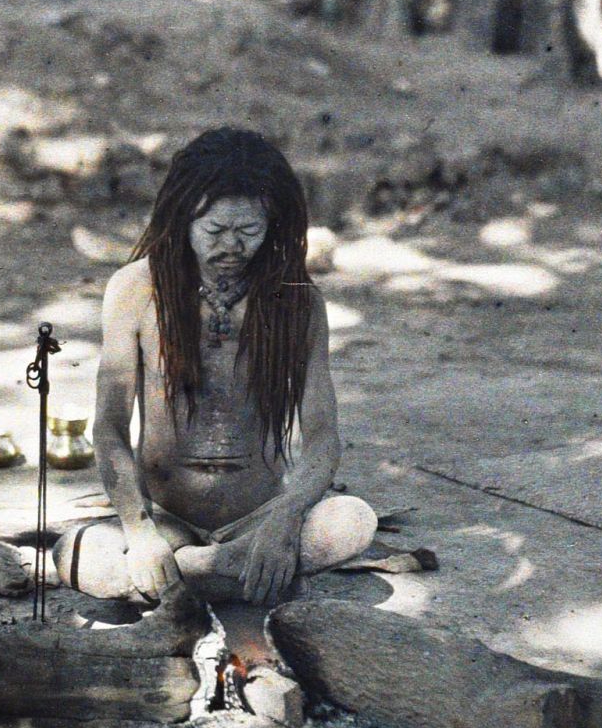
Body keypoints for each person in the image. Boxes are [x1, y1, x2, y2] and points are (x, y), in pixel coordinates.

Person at [54, 128, 376, 673]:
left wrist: (285, 521)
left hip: (261, 516)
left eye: (249, 230)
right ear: (183, 219)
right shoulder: (134, 289)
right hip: (165, 518)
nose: (232, 246)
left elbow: (323, 437)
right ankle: (233, 575)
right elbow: (108, 427)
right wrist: (137, 527)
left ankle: (189, 577)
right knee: (77, 555)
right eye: (216, 230)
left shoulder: (298, 303)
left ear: (273, 226)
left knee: (353, 521)